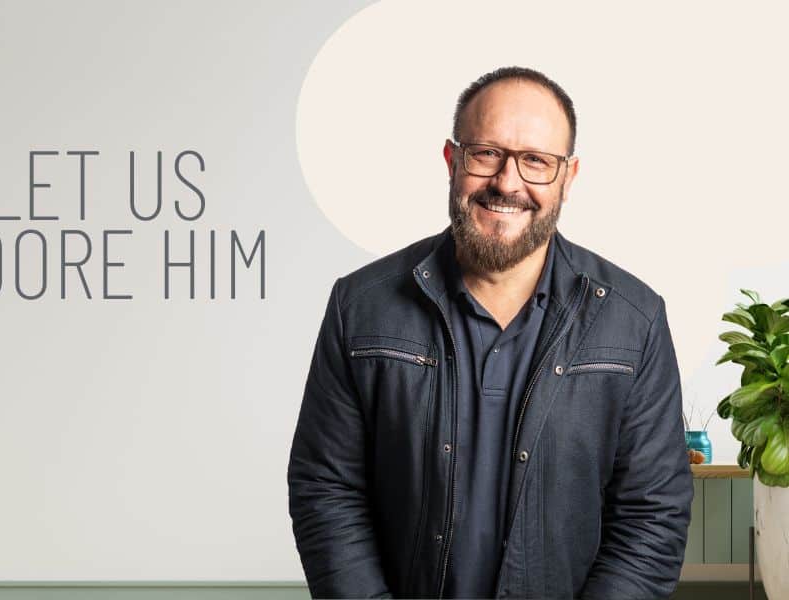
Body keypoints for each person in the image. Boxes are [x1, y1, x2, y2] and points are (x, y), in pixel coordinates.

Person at [287, 66, 692, 599]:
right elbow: (327, 489)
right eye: (487, 154)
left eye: (536, 162)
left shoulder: (633, 320)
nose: (507, 182)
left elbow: (652, 513)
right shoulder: (361, 307)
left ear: (568, 178)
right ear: (453, 161)